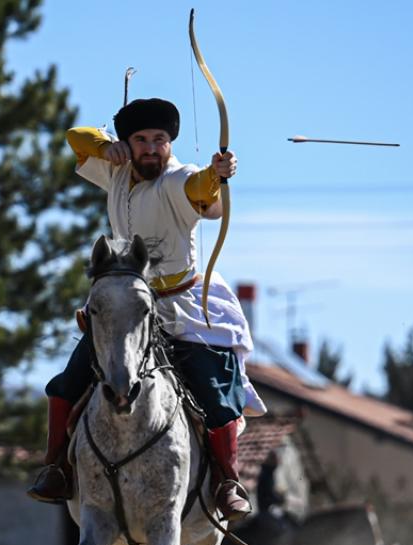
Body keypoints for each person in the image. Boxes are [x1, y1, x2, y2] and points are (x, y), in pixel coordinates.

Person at [26, 97, 265, 520]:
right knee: (68, 383)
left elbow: (200, 189)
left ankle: (228, 480)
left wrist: (216, 174)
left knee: (214, 395)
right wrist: (104, 148)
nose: (152, 148)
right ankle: (56, 467)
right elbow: (73, 137)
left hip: (185, 306)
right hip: (130, 305)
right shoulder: (115, 170)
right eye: (141, 140)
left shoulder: (178, 179)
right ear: (128, 144)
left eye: (160, 139)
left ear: (170, 144)